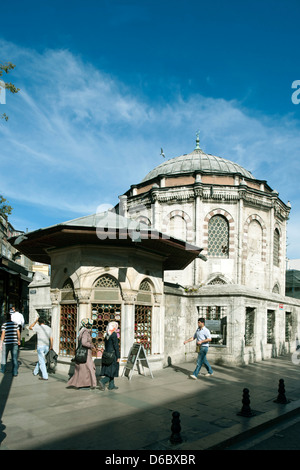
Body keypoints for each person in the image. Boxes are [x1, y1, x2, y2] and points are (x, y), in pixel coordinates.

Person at [67, 318, 97, 390]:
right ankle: (87, 384)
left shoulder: (81, 331)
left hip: (83, 353)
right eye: (90, 324)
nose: (91, 326)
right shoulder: (86, 332)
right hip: (86, 353)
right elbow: (84, 342)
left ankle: (83, 384)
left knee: (82, 369)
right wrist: (91, 346)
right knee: (90, 368)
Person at [29, 315, 53, 381]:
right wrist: (51, 346)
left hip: (40, 346)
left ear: (39, 322)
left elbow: (30, 327)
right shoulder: (49, 328)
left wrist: (35, 321)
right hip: (47, 346)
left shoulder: (38, 327)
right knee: (41, 359)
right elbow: (51, 338)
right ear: (44, 321)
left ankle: (45, 376)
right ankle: (35, 372)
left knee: (42, 361)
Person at [99, 321, 120, 391]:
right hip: (112, 355)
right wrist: (118, 356)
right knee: (113, 370)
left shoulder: (107, 334)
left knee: (111, 370)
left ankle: (111, 385)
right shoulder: (114, 334)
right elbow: (116, 346)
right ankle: (103, 381)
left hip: (107, 354)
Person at [0, 312, 21, 376]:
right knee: (14, 358)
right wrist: (19, 340)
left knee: (4, 357)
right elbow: (18, 333)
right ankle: (15, 372)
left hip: (6, 343)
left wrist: (1, 343)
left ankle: (3, 370)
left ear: (6, 318)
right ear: (11, 318)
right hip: (14, 343)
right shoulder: (15, 324)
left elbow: (3, 335)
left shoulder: (4, 325)